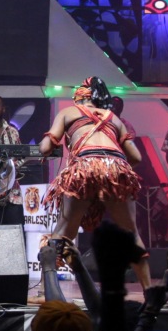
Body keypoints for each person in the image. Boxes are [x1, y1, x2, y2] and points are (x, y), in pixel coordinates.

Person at [36, 75, 153, 290]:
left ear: (78, 98)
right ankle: (149, 291)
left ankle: (45, 290)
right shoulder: (113, 118)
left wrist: (52, 140)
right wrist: (111, 172)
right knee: (131, 233)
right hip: (116, 168)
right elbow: (135, 157)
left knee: (63, 231)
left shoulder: (68, 113)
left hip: (85, 169)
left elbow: (45, 148)